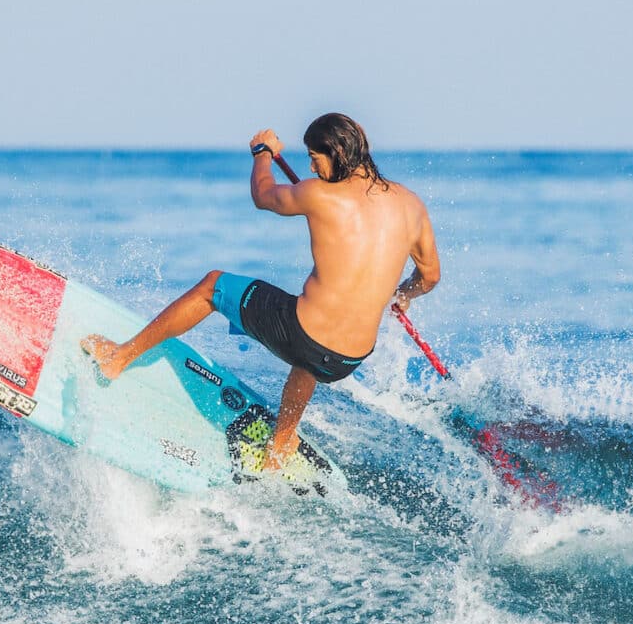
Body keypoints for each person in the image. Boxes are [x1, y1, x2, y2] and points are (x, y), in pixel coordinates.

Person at [82, 113, 441, 471]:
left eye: (315, 159)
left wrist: (262, 153)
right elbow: (429, 277)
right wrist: (403, 295)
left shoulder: (319, 195)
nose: (313, 170)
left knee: (213, 285)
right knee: (312, 355)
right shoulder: (411, 206)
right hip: (349, 359)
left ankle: (119, 357)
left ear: (337, 152)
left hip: (303, 336)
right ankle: (281, 442)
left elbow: (263, 195)